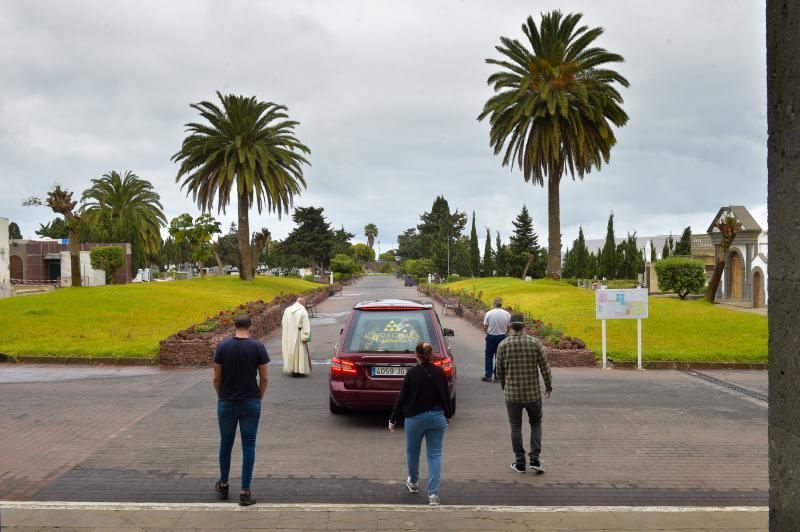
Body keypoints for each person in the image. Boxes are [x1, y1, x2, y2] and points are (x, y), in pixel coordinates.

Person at [212, 315, 269, 506]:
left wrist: (221, 393)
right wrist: (259, 396)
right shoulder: (257, 347)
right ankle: (245, 491)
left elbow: (216, 377)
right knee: (249, 445)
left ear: (234, 326)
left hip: (227, 401)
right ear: (250, 326)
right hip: (250, 402)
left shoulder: (223, 346)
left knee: (226, 444)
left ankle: (224, 484)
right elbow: (265, 377)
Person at [389, 342, 452, 506]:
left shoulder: (412, 373)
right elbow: (446, 394)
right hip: (437, 418)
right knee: (435, 455)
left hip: (415, 418)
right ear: (431, 355)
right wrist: (448, 414)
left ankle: (414, 482)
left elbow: (402, 397)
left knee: (413, 452)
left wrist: (393, 419)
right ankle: (433, 495)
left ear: (416, 355)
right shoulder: (439, 371)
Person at [495, 313, 553, 474]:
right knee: (535, 423)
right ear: (524, 326)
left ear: (510, 326)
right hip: (533, 394)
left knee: (515, 427)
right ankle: (535, 459)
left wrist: (505, 387)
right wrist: (548, 386)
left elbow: (499, 371)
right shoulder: (535, 343)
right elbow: (545, 368)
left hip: (512, 395)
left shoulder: (503, 345)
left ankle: (520, 462)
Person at [482, 297, 511, 382]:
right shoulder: (507, 314)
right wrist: (505, 332)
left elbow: (485, 326)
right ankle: (497, 376)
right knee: (499, 357)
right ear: (501, 304)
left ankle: (488, 375)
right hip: (502, 336)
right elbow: (509, 327)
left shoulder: (489, 313)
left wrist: (487, 333)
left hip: (491, 336)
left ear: (494, 303)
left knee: (489, 356)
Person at [281, 296, 311, 376]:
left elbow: (283, 323)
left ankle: (293, 369)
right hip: (299, 335)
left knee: (291, 352)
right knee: (299, 353)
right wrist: (306, 336)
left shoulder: (287, 310)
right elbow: (306, 325)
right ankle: (299, 370)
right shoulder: (303, 311)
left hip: (289, 335)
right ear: (303, 303)